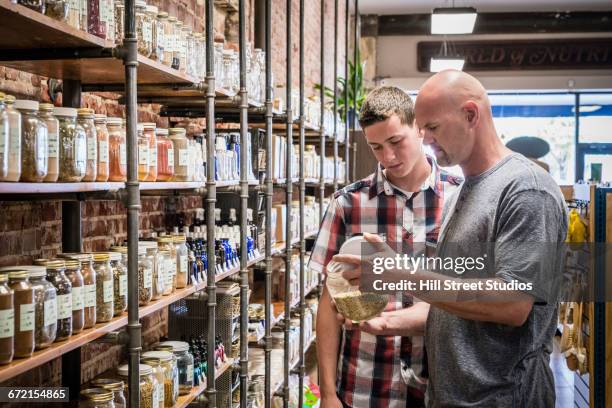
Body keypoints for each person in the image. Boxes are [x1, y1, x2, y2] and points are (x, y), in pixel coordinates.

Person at [334, 70, 569, 407]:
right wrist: (387, 323)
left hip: (503, 398)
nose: (425, 138)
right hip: (452, 396)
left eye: (432, 127)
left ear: (470, 114)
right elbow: (457, 300)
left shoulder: (525, 189)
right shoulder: (463, 193)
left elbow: (513, 303)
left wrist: (401, 273)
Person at [309, 86, 461, 408]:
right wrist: (328, 393)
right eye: (376, 147)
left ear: (419, 129)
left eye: (396, 142)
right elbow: (328, 302)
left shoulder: (459, 199)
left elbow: (468, 295)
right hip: (365, 385)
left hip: (438, 386)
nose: (388, 157)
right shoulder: (347, 204)